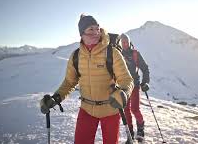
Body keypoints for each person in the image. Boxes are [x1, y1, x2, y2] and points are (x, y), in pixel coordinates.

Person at [40, 14, 134, 144]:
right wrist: (56, 98)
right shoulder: (76, 56)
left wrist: (124, 93)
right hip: (87, 110)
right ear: (82, 34)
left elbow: (126, 79)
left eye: (97, 28)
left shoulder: (112, 53)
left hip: (111, 110)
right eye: (91, 29)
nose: (96, 32)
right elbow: (69, 82)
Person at [120, 33, 150, 142]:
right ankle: (130, 134)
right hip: (123, 87)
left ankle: (141, 128)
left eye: (126, 41)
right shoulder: (118, 55)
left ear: (129, 42)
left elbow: (145, 68)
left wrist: (145, 82)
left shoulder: (135, 54)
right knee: (126, 110)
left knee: (134, 109)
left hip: (135, 86)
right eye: (122, 42)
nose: (125, 44)